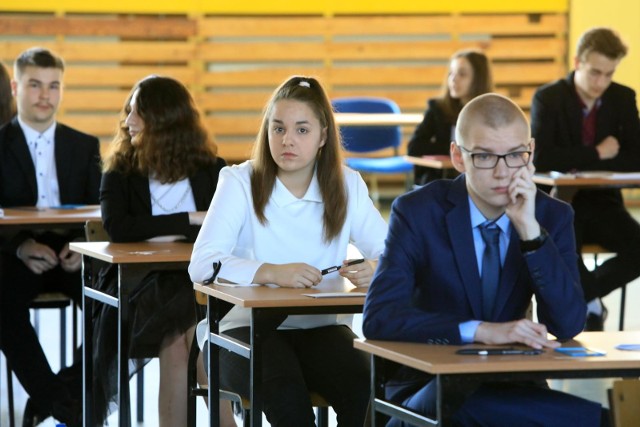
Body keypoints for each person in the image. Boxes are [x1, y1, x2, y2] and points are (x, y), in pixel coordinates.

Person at [363, 93, 608, 426]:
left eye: (515, 155)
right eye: (484, 157)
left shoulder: (552, 216)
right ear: (458, 156)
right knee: (462, 402)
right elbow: (379, 317)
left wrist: (531, 233)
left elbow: (567, 324)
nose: (502, 172)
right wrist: (481, 331)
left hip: (511, 385)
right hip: (427, 388)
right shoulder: (418, 212)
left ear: (531, 152)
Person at [189, 75, 388, 427]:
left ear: (323, 136)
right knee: (287, 400)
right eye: (278, 129)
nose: (287, 141)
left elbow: (394, 254)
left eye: (301, 130)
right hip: (244, 331)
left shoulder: (347, 184)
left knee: (370, 389)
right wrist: (270, 272)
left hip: (323, 330)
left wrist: (376, 266)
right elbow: (202, 264)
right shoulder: (239, 182)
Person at [94, 75, 235, 426]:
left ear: (165, 120)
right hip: (139, 286)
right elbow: (120, 228)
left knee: (194, 339)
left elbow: (229, 229)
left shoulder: (212, 170)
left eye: (137, 113)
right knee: (180, 341)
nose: (127, 122)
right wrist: (189, 219)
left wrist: (166, 228)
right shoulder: (120, 172)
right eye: (128, 112)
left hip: (204, 283)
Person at [0, 47, 101, 427]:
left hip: (72, 253)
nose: (45, 95)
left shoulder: (84, 146)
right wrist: (21, 246)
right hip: (16, 255)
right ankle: (62, 405)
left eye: (54, 85)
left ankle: (59, 396)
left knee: (114, 307)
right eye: (35, 85)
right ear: (15, 87)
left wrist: (84, 248)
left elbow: (99, 211)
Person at [530, 27, 640, 331]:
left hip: (603, 200)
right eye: (594, 72)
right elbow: (542, 157)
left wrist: (579, 157)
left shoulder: (622, 97)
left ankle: (586, 298)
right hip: (560, 200)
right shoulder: (548, 97)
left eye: (608, 74)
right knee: (564, 248)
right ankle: (587, 309)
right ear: (578, 62)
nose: (600, 82)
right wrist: (597, 152)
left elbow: (635, 156)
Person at [408, 49, 493, 185]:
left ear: (478, 79)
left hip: (480, 179)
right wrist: (456, 149)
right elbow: (414, 147)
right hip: (442, 179)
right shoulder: (437, 108)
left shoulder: (492, 110)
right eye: (451, 73)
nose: (453, 79)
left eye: (462, 74)